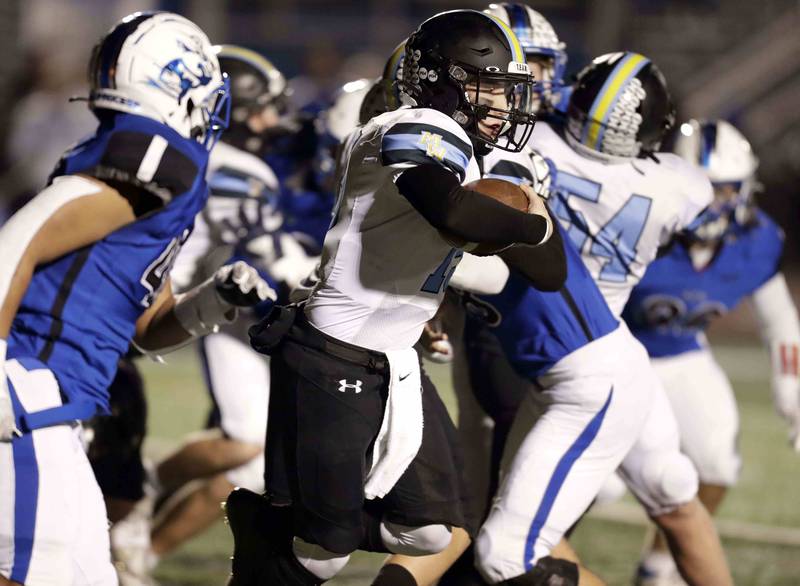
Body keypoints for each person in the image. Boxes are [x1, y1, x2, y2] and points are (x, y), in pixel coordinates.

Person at [227, 10, 560, 585]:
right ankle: (275, 533)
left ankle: (288, 522)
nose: (504, 104)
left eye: (508, 89)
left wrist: (523, 224)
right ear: (439, 80)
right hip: (331, 350)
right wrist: (529, 222)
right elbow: (451, 210)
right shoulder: (411, 125)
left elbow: (549, 273)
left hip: (398, 359)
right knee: (326, 548)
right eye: (488, 85)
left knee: (433, 532)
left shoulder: (475, 155)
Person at [0, 12, 274, 585]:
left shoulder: (154, 169)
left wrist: (209, 302)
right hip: (30, 387)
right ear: (175, 81)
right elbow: (17, 238)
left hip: (60, 398)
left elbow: (147, 327)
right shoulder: (159, 153)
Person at [467, 50, 734, 585]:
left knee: (510, 535)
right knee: (672, 490)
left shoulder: (535, 146)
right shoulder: (679, 185)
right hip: (607, 338)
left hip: (564, 347)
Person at [622, 119, 800, 585]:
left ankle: (659, 567)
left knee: (716, 462)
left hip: (683, 352)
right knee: (600, 490)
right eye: (700, 188)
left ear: (745, 188)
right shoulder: (640, 223)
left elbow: (779, 319)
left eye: (723, 190)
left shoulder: (757, 239)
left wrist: (791, 391)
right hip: (616, 351)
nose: (710, 202)